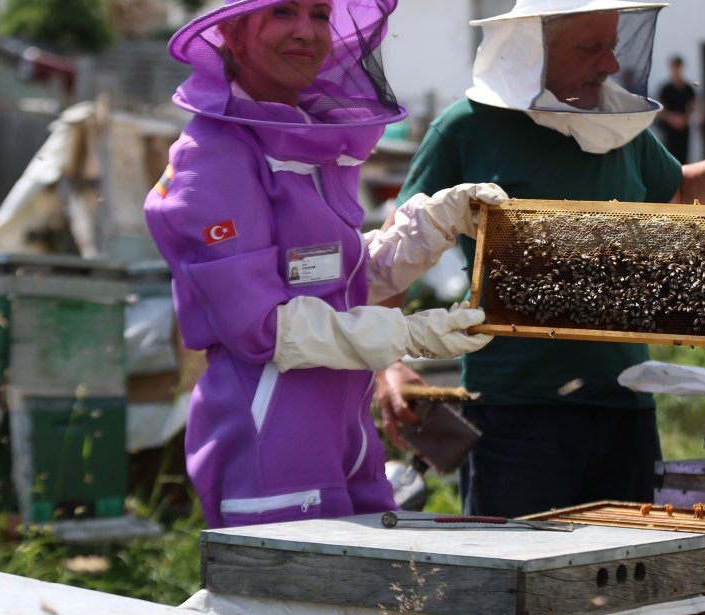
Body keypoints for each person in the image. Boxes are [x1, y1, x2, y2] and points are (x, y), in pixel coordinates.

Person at [374, 0, 705, 519]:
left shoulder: (619, 125)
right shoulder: (467, 127)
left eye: (613, 45)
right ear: (534, 53)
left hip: (624, 404)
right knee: (518, 581)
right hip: (515, 411)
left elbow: (676, 192)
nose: (610, 63)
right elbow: (394, 250)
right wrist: (388, 365)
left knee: (627, 581)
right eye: (590, 47)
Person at [143, 0, 502, 528]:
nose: (307, 33)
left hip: (346, 425)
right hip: (269, 430)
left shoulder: (301, 141)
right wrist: (411, 334)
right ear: (233, 34)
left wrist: (430, 224)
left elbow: (337, 278)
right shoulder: (213, 157)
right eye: (284, 12)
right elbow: (265, 328)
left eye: (318, 14)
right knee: (288, 603)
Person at [657, 55, 697, 161]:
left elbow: (692, 106)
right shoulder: (665, 89)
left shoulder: (688, 88)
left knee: (684, 156)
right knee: (670, 156)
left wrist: (684, 119)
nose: (676, 70)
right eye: (674, 67)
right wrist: (672, 119)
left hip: (684, 127)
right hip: (669, 129)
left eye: (678, 67)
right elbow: (660, 108)